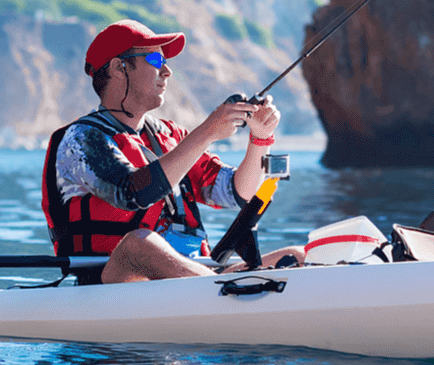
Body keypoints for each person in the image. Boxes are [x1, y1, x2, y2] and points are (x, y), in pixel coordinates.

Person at [41, 19, 304, 282]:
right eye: (155, 61)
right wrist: (208, 131)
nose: (166, 71)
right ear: (118, 68)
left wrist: (260, 137)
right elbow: (133, 193)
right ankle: (219, 292)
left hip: (191, 277)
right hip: (110, 284)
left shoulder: (171, 136)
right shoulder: (81, 139)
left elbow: (237, 193)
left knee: (298, 254)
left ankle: (218, 291)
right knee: (139, 244)